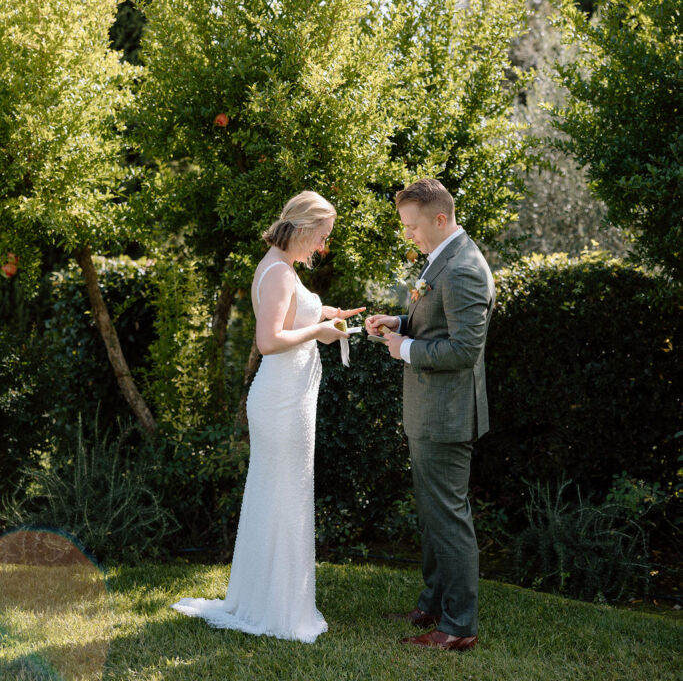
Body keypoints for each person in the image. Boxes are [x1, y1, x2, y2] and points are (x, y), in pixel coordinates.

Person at [172, 190, 365, 643]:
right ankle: (277, 610)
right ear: (303, 228)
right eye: (322, 237)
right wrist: (319, 330)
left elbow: (293, 316)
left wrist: (330, 313)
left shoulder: (282, 267)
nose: (323, 247)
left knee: (283, 495)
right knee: (284, 496)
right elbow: (268, 340)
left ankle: (269, 598)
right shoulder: (278, 271)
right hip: (280, 400)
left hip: (288, 397)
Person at [366, 178, 494, 653]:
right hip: (429, 411)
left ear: (440, 219)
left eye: (413, 226)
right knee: (433, 516)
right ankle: (432, 604)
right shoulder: (443, 259)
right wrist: (397, 324)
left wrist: (406, 349)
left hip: (446, 414)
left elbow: (463, 349)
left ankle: (459, 626)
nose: (409, 236)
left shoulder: (464, 269)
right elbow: (435, 322)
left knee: (448, 518)